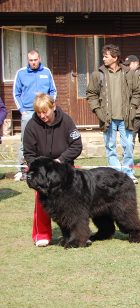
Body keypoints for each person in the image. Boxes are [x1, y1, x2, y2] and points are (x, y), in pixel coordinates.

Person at [23, 93, 83, 247]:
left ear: (53, 107)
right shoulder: (31, 126)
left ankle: (76, 233)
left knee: (72, 204)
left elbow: (76, 145)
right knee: (42, 200)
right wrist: (37, 168)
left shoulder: (67, 121)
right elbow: (29, 153)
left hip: (65, 170)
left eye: (45, 112)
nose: (42, 116)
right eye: (38, 112)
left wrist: (60, 160)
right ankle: (42, 234)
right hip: (43, 172)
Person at [86, 44, 140, 184]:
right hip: (107, 119)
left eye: (106, 56)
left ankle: (128, 174)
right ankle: (116, 175)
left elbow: (137, 92)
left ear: (115, 58)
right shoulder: (97, 74)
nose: (103, 58)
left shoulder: (129, 73)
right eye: (103, 56)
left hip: (126, 118)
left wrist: (133, 107)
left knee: (128, 146)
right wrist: (98, 111)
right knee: (110, 147)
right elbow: (91, 94)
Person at [13, 49, 57, 181]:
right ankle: (22, 170)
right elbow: (16, 93)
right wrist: (22, 110)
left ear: (39, 59)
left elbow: (53, 90)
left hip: (45, 111)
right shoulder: (21, 73)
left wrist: (50, 106)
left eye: (35, 60)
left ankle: (47, 168)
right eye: (31, 60)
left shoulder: (46, 71)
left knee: (47, 138)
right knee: (25, 142)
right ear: (28, 60)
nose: (33, 62)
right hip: (28, 112)